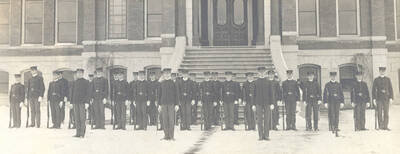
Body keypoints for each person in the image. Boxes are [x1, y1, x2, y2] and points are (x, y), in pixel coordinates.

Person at [253, 67, 274, 140]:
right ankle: (260, 135)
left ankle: (267, 135)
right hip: (258, 103)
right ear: (258, 73)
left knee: (267, 119)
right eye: (260, 72)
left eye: (263, 72)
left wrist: (272, 103)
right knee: (259, 120)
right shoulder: (255, 82)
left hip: (267, 103)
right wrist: (253, 104)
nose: (262, 73)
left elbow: (271, 94)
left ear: (265, 73)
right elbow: (254, 94)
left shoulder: (268, 82)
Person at [158, 68, 179, 140]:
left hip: (171, 104)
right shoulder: (161, 83)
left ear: (170, 74)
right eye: (165, 73)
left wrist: (176, 104)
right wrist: (159, 105)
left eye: (168, 73)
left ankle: (171, 136)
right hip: (163, 104)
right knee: (164, 120)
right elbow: (159, 95)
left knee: (171, 120)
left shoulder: (173, 83)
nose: (166, 75)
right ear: (163, 74)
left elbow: (176, 94)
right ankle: (166, 135)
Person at [70, 68, 90, 138]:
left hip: (82, 103)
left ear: (82, 74)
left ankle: (82, 133)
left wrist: (87, 102)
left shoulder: (86, 82)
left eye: (80, 73)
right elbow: (72, 93)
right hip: (75, 102)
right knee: (76, 118)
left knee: (82, 118)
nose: (79, 74)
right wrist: (71, 102)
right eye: (78, 73)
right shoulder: (74, 82)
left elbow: (88, 93)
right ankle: (78, 133)